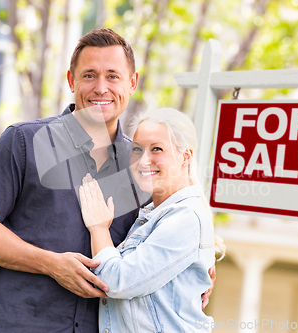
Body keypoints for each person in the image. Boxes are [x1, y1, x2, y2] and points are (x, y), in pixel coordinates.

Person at [0, 28, 215, 333]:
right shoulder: (24, 141)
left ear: (131, 83)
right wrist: (52, 265)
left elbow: (168, 240)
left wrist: (198, 271)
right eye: (89, 75)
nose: (101, 88)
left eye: (113, 76)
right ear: (71, 81)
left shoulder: (143, 166)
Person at [79, 108, 225, 332]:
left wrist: (98, 228)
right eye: (137, 149)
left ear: (185, 157)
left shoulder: (187, 217)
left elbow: (117, 281)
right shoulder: (152, 213)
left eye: (157, 149)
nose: (143, 160)